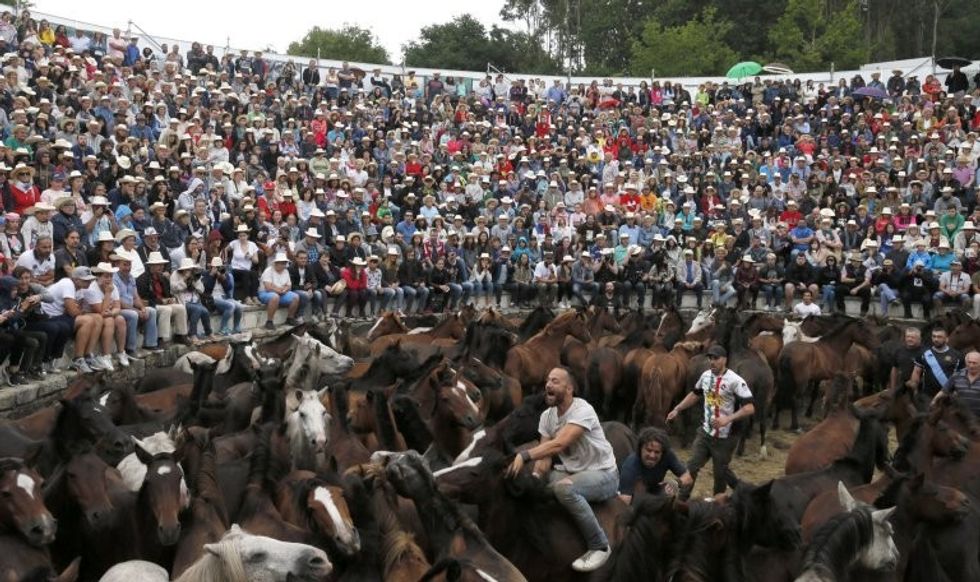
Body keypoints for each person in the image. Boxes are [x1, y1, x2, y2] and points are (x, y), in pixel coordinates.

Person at [506, 367, 618, 572]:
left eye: (555, 381)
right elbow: (545, 457)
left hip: (603, 474)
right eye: (548, 380)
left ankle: (599, 545)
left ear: (569, 389)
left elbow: (559, 444)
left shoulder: (583, 410)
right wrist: (536, 477)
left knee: (564, 490)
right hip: (571, 471)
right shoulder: (547, 417)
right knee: (538, 488)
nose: (548, 384)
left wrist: (524, 455)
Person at [667, 345, 755, 497]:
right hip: (705, 432)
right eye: (710, 358)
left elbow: (750, 408)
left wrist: (728, 418)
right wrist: (677, 409)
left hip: (725, 438)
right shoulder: (705, 376)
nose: (712, 361)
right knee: (692, 466)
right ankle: (682, 500)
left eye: (716, 358)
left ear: (725, 360)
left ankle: (719, 502)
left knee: (720, 474)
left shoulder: (735, 381)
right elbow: (695, 395)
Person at [42, 266, 105, 373]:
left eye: (90, 280)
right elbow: (73, 311)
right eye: (86, 280)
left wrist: (79, 311)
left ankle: (88, 355)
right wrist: (79, 311)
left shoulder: (80, 289)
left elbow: (77, 310)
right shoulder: (67, 283)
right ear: (76, 279)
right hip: (49, 316)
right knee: (87, 320)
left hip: (60, 316)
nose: (89, 282)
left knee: (98, 318)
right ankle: (78, 359)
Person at [618, 427, 693, 503]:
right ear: (640, 449)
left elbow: (688, 478)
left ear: (662, 452)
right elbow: (624, 501)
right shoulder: (630, 466)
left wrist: (676, 483)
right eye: (649, 450)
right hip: (634, 498)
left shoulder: (668, 456)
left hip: (654, 492)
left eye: (657, 452)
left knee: (667, 492)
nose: (652, 455)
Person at [137, 251, 191, 346]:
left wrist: (170, 299)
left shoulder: (163, 278)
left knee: (180, 308)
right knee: (166, 309)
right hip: (151, 305)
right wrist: (161, 301)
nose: (161, 267)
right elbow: (143, 299)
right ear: (151, 266)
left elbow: (167, 294)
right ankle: (160, 338)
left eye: (162, 265)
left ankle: (181, 334)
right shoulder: (142, 279)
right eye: (158, 265)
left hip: (162, 303)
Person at [113, 253, 159, 362]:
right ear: (118, 265)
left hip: (130, 306)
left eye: (129, 265)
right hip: (119, 308)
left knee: (151, 311)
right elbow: (118, 301)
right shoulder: (114, 279)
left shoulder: (131, 277)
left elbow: (136, 297)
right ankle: (130, 349)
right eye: (124, 265)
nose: (127, 268)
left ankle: (150, 344)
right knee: (133, 315)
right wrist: (136, 310)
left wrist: (142, 308)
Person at [83, 262, 129, 371]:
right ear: (98, 277)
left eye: (111, 276)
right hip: (90, 314)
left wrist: (112, 312)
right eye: (106, 276)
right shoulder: (92, 288)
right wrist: (108, 294)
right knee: (109, 321)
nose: (109, 279)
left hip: (108, 313)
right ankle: (105, 355)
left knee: (120, 319)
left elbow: (117, 307)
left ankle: (121, 352)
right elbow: (101, 312)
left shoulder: (113, 287)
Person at [908, 327, 963, 398]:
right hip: (927, 396)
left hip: (948, 396)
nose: (936, 339)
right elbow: (916, 372)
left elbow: (961, 376)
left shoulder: (957, 355)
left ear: (946, 339)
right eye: (934, 336)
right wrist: (914, 389)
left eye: (939, 337)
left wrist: (957, 392)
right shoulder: (923, 353)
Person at [171, 257, 214, 341]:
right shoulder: (175, 275)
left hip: (195, 300)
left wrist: (195, 281)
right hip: (183, 301)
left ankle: (209, 333)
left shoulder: (194, 275)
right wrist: (184, 279)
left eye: (191, 269)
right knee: (197, 309)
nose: (189, 271)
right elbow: (174, 289)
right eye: (188, 269)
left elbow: (201, 290)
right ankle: (192, 334)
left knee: (205, 311)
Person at [259, 253, 304, 329]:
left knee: (295, 297)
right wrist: (279, 290)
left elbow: (289, 285)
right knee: (275, 297)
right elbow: (268, 287)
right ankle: (269, 321)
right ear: (276, 263)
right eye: (282, 263)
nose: (284, 265)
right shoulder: (268, 270)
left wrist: (285, 289)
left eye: (285, 263)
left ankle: (290, 318)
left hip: (282, 293)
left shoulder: (285, 271)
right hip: (266, 293)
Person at [935, 350, 980, 416]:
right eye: (969, 362)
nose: (971, 365)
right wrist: (933, 403)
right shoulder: (956, 376)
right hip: (960, 419)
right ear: (965, 362)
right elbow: (943, 392)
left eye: (974, 363)